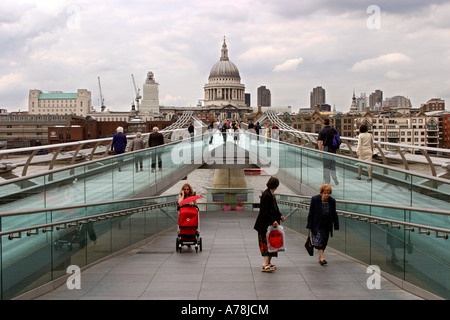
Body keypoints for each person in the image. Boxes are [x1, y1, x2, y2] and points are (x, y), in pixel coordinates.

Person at [254, 177, 285, 272]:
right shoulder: (267, 195)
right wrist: (272, 221)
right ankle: (264, 264)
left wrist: (280, 216)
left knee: (271, 243)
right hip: (265, 224)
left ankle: (268, 263)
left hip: (269, 224)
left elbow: (275, 209)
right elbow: (265, 211)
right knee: (267, 243)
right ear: (276, 185)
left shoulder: (270, 194)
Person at [306, 184, 339, 265]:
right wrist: (309, 225)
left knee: (324, 241)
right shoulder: (315, 199)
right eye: (325, 193)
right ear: (321, 193)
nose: (326, 195)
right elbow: (311, 212)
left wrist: (336, 225)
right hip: (317, 224)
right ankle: (322, 257)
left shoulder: (332, 201)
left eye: (328, 193)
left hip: (327, 224)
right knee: (318, 241)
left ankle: (320, 256)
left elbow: (334, 213)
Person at [318, 119, 339, 185]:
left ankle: (327, 181)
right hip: (333, 149)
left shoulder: (322, 131)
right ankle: (334, 177)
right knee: (332, 165)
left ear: (323, 123)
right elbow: (338, 139)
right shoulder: (334, 130)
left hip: (326, 149)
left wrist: (320, 151)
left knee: (326, 166)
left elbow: (320, 142)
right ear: (329, 123)